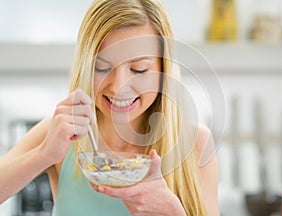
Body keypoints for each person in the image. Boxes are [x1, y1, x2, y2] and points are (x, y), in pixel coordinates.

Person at [0, 0, 219, 215]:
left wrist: (172, 212)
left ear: (164, 68)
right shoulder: (62, 133)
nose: (118, 87)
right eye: (102, 67)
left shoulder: (195, 143)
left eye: (139, 70)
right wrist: (43, 155)